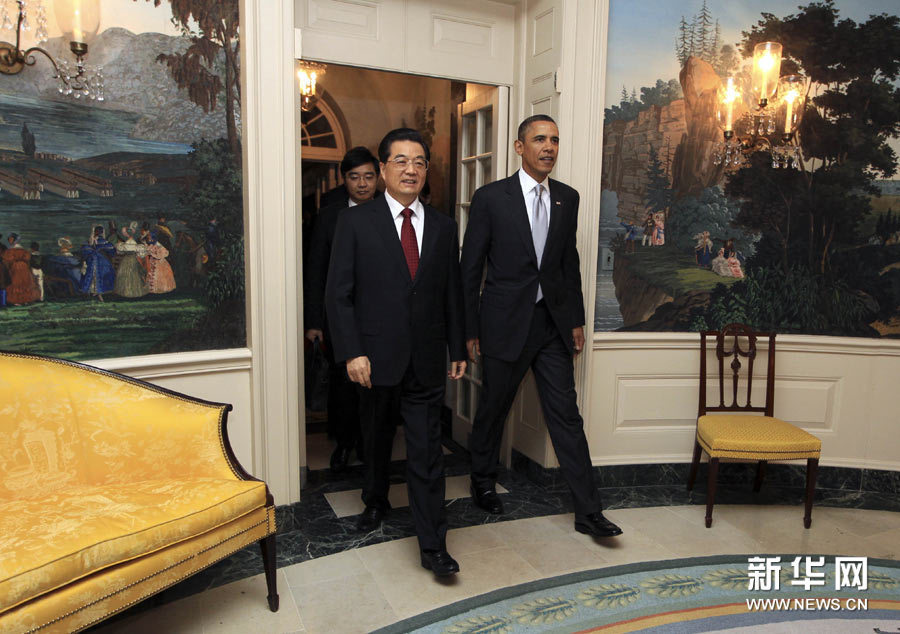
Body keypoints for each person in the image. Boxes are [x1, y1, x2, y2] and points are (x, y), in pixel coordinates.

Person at [460, 115, 623, 539]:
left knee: (566, 417)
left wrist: (576, 320)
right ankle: (481, 482)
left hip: (551, 326)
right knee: (493, 410)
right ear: (520, 147)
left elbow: (568, 264)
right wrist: (469, 328)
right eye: (539, 139)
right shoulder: (490, 198)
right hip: (502, 325)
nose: (549, 147)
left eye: (554, 139)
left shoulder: (568, 198)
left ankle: (589, 511)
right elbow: (470, 268)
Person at [326, 128, 467, 577]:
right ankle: (375, 499)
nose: (411, 169)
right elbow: (338, 295)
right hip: (372, 359)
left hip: (425, 360)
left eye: (420, 162)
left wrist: (457, 345)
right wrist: (351, 351)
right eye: (401, 161)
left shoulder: (444, 226)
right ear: (384, 168)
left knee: (427, 453)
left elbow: (452, 293)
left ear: (427, 171)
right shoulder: (354, 222)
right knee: (375, 437)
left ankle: (433, 546)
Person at [305, 146, 380, 471]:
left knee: (374, 386)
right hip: (338, 318)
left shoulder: (389, 213)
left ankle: (368, 445)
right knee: (342, 387)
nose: (362, 184)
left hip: (377, 318)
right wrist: (313, 321)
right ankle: (343, 443)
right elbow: (315, 271)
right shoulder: (331, 215)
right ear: (343, 179)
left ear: (378, 178)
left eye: (368, 177)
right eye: (354, 177)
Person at [79, 226, 116, 300]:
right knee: (100, 272)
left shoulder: (91, 241)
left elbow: (84, 250)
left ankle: (95, 292)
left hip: (94, 261)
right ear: (102, 233)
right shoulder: (102, 241)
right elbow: (112, 251)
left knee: (95, 273)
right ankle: (95, 292)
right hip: (99, 261)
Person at [2, 233, 40, 305]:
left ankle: (17, 301)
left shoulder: (10, 251)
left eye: (11, 239)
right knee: (24, 283)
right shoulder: (24, 251)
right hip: (24, 268)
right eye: (9, 239)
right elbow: (27, 259)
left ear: (15, 240)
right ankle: (24, 301)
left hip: (15, 268)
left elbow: (7, 261)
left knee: (17, 283)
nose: (9, 241)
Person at [115, 223, 149, 298]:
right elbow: (141, 254)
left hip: (126, 259)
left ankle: (126, 292)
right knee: (132, 275)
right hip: (133, 259)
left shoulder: (124, 244)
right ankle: (131, 292)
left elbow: (120, 252)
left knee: (127, 275)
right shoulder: (136, 245)